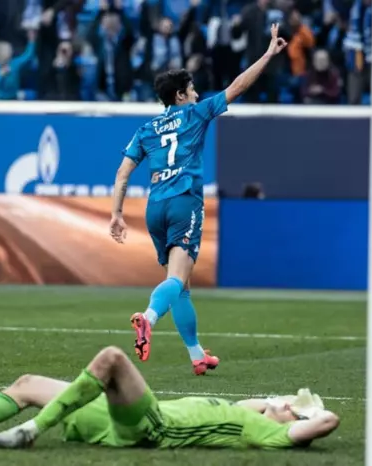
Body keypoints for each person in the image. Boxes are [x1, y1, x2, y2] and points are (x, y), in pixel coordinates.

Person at [109, 24, 288, 375]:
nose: (196, 93)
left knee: (182, 287)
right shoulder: (195, 113)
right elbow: (238, 86)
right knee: (177, 279)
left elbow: (122, 173)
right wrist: (268, 54)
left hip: (155, 209)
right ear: (180, 96)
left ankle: (196, 355)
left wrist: (116, 213)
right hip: (183, 202)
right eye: (191, 89)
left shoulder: (146, 130)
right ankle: (147, 318)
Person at [0, 346, 340, 450]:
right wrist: (283, 401)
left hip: (152, 426)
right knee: (27, 383)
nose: (285, 405)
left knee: (113, 359)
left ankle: (32, 430)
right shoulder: (249, 412)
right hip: (121, 417)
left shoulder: (266, 435)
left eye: (292, 411)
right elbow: (262, 401)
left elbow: (327, 422)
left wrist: (306, 414)